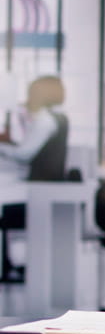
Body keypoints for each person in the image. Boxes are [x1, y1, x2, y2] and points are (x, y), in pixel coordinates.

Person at [0, 75, 69, 282]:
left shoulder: (44, 120)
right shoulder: (58, 118)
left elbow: (24, 154)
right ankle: (7, 260)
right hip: (44, 185)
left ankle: (6, 262)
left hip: (38, 188)